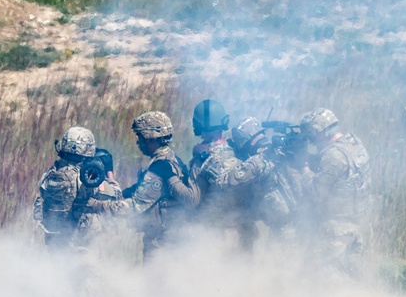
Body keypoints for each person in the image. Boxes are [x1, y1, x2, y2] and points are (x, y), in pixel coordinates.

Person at [103, 111, 199, 258]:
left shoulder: (159, 168)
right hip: (174, 242)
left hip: (161, 246)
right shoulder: (172, 159)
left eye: (140, 137)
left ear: (150, 139)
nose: (138, 142)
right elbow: (139, 190)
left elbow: (135, 206)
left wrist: (101, 205)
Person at [298, 107, 371, 273]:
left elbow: (316, 193)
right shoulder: (354, 144)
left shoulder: (333, 156)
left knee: (325, 283)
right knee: (353, 279)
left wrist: (304, 169)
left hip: (335, 232)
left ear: (321, 133)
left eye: (312, 135)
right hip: (355, 227)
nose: (311, 141)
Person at [32, 126, 120, 249]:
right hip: (81, 246)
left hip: (55, 244)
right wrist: (109, 173)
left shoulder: (51, 174)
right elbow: (116, 196)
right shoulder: (84, 179)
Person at [186, 99, 257, 249]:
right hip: (244, 230)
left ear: (197, 125)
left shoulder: (202, 158)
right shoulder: (238, 151)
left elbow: (194, 199)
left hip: (215, 233)